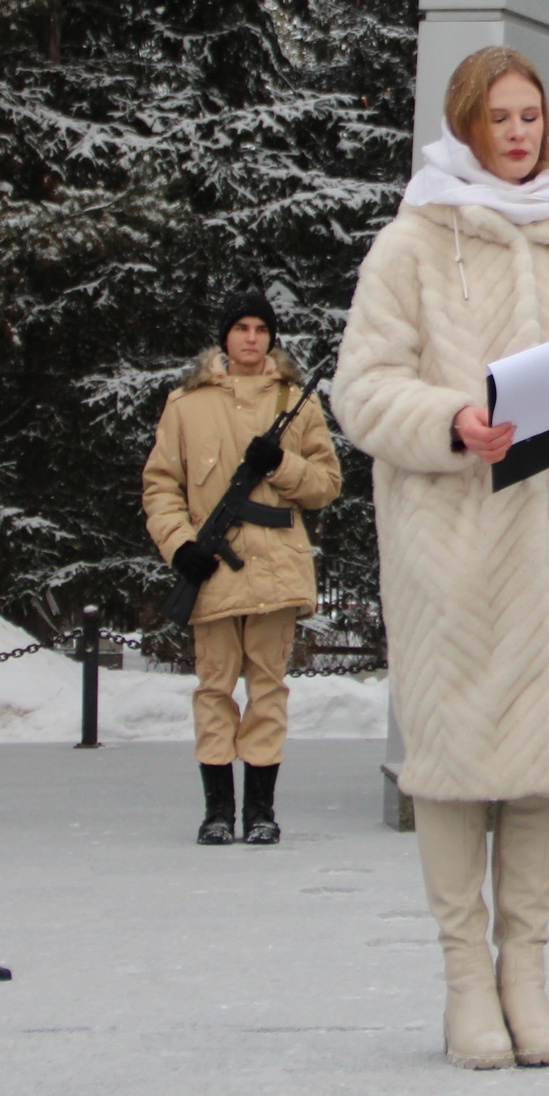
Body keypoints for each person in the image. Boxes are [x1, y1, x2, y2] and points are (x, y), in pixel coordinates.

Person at [334, 47, 549, 1071]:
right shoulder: (412, 245)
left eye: (532, 116)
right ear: (466, 124)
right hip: (459, 552)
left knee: (542, 773)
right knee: (453, 769)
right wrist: (454, 418)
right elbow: (363, 390)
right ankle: (464, 987)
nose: (520, 133)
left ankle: (528, 980)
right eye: (501, 117)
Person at [143, 292, 344, 846]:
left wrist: (280, 464)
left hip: (277, 569)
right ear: (224, 337)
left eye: (261, 329)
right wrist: (181, 547)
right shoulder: (185, 404)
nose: (251, 338)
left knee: (267, 690)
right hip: (212, 571)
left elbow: (327, 485)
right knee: (214, 689)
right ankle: (216, 812)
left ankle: (260, 812)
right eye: (241, 328)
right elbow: (161, 485)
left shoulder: (296, 403)